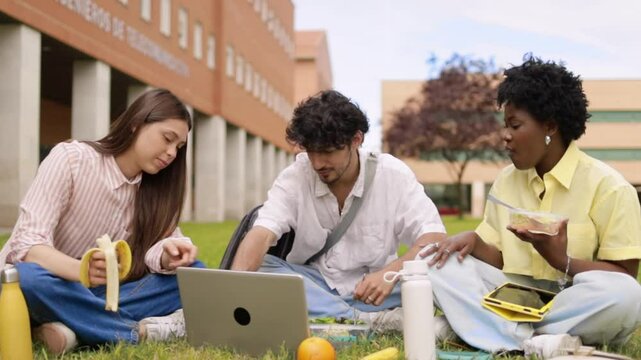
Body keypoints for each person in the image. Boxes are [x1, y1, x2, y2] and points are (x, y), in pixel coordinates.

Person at [420, 57, 641, 357]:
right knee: (434, 263)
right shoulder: (505, 182)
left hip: (572, 300)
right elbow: (496, 258)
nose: (505, 135)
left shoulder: (609, 187)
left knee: (626, 296)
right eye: (505, 125)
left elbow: (623, 275)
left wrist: (560, 259)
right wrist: (474, 241)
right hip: (512, 294)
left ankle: (480, 330)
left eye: (515, 125)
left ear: (550, 125)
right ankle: (532, 342)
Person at [0, 89, 202, 354]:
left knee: (192, 275)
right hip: (46, 286)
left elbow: (158, 247)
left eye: (179, 147)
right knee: (26, 277)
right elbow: (28, 245)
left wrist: (168, 256)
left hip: (98, 297)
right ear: (135, 124)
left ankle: (73, 328)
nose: (172, 153)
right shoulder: (72, 159)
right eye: (167, 139)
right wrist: (81, 270)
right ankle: (138, 332)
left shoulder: (154, 191)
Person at [231, 89, 446, 331]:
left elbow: (434, 238)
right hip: (315, 285)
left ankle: (333, 317)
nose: (317, 163)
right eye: (311, 151)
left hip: (377, 290)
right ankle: (366, 321)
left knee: (444, 271)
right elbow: (262, 232)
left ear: (356, 140)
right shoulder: (296, 176)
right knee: (262, 266)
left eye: (328, 152)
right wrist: (236, 291)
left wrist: (388, 275)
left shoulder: (393, 174)